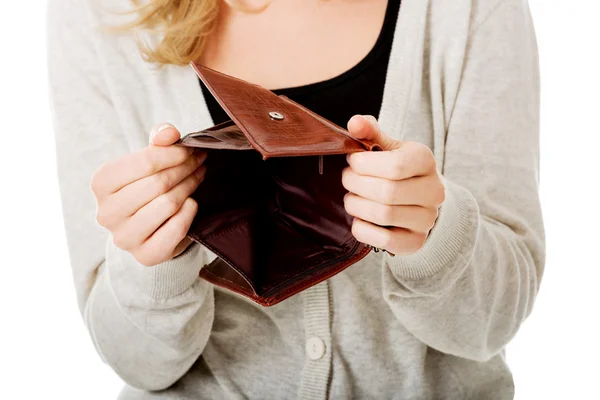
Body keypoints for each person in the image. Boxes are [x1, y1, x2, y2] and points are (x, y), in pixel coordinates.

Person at [48, 0, 545, 398]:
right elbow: (134, 361)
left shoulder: (471, 10)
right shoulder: (101, 13)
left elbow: (495, 323)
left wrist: (437, 237)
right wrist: (152, 264)